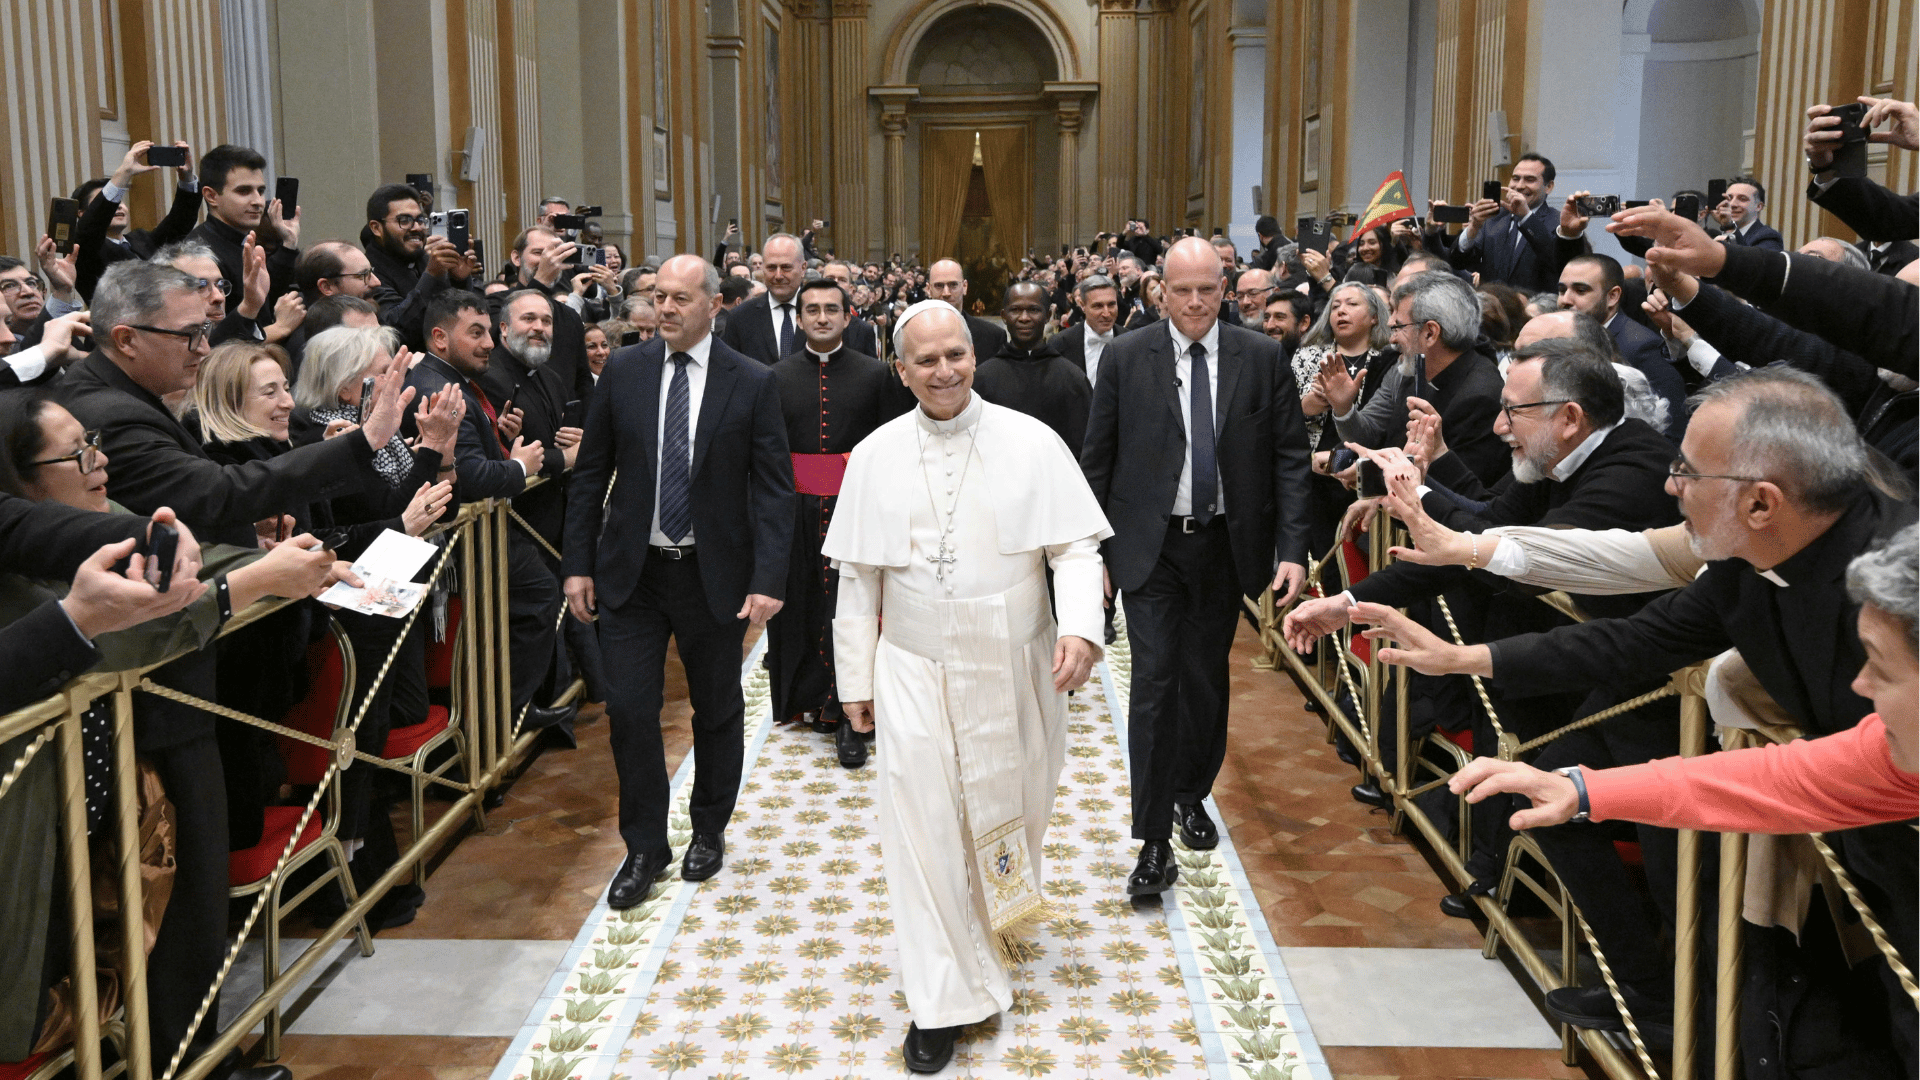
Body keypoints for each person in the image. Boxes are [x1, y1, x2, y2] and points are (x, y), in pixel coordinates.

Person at [1349, 366, 1918, 1055]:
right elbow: (1637, 639)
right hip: (1866, 827)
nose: (1670, 486)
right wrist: (1464, 659)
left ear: (1761, 503)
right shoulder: (1750, 554)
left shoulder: (1891, 588)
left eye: (1688, 472)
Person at [824, 299, 1107, 1074]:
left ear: (973, 357)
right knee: (920, 827)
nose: (944, 371)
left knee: (1016, 807)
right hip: (913, 661)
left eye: (956, 355)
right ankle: (940, 999)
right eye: (927, 360)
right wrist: (854, 678)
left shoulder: (1032, 441)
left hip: (1015, 657)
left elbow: (1074, 548)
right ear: (901, 370)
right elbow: (857, 577)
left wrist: (1080, 628)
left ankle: (992, 929)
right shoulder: (875, 454)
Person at [1080, 236, 1312, 894]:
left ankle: (1190, 792)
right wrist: (1092, 552)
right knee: (1154, 683)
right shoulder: (1127, 357)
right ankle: (1153, 840)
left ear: (1225, 288)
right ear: (1161, 293)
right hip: (1149, 547)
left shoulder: (1261, 357)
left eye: (1207, 289)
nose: (1194, 302)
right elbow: (1097, 459)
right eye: (1181, 290)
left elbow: (1289, 458)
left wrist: (1292, 549)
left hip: (1224, 546)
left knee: (1205, 682)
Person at [562, 254, 793, 910]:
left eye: (680, 298)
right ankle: (644, 847)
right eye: (659, 295)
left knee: (715, 709)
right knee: (630, 711)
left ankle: (708, 829)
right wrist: (576, 564)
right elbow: (591, 472)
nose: (664, 307)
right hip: (632, 575)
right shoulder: (625, 371)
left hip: (711, 574)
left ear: (713, 306)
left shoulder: (751, 381)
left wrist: (768, 577)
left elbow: (773, 490)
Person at [1448, 522, 1916, 835]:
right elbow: (1781, 778)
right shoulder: (1887, 750)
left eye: (1881, 666)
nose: (1863, 684)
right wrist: (1583, 791)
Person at [58, 262, 408, 549]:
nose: (203, 348)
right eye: (190, 334)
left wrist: (248, 536)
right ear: (126, 339)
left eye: (205, 331)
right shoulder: (110, 412)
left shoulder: (119, 391)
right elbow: (215, 494)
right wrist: (364, 440)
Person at [404, 289, 571, 731]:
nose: (489, 344)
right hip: (462, 541)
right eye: (476, 333)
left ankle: (506, 712)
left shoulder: (447, 379)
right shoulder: (441, 389)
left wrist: (501, 440)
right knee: (539, 596)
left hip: (479, 535)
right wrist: (519, 466)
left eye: (487, 333)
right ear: (440, 338)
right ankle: (503, 716)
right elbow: (469, 476)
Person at [765, 278, 902, 767]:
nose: (822, 318)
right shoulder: (775, 377)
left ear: (848, 316)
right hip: (796, 513)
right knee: (804, 607)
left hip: (858, 510)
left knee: (854, 610)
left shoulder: (876, 375)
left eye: (831, 309)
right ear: (799, 318)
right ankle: (811, 699)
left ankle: (851, 712)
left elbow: (893, 445)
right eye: (812, 310)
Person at [1322, 270, 1511, 486]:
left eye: (1398, 326)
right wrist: (1336, 459)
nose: (1391, 339)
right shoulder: (1414, 370)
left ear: (1430, 333)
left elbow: (1453, 489)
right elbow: (1378, 439)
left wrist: (1366, 476)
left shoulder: (1480, 398)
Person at [1555, 254, 1687, 435]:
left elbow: (1670, 426)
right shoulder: (1563, 338)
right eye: (1562, 290)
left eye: (1581, 290)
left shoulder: (1641, 346)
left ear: (1612, 296)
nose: (1565, 300)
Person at [72, 140, 202, 303]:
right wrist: (124, 173)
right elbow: (90, 228)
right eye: (112, 202)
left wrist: (187, 178)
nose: (118, 206)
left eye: (120, 201)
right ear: (82, 214)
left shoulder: (141, 240)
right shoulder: (83, 249)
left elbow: (179, 222)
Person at [187, 145, 299, 333]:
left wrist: (289, 243)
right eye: (244, 191)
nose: (258, 201)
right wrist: (279, 329)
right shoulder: (198, 254)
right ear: (211, 196)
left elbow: (265, 300)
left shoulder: (246, 239)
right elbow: (208, 338)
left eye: (260, 191)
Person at [972, 281, 1091, 454]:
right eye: (1015, 310)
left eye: (1034, 310)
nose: (1024, 318)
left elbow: (1086, 448)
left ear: (1048, 315)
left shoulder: (1073, 379)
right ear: (1004, 316)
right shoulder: (981, 379)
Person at [361, 183, 473, 352]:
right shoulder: (367, 272)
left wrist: (459, 280)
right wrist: (431, 275)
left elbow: (462, 321)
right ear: (377, 228)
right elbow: (395, 332)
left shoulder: (425, 259)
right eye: (404, 220)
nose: (417, 228)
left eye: (420, 220)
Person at [1446, 153, 1571, 291]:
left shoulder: (1558, 222)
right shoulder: (1493, 218)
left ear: (1549, 187)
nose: (1519, 186)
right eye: (1515, 178)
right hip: (1491, 302)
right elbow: (1458, 262)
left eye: (1530, 180)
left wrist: (1526, 217)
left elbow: (1556, 262)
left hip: (1534, 303)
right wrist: (1473, 228)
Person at [718, 232, 810, 365]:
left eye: (786, 267)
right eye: (771, 268)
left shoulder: (823, 313)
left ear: (803, 268)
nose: (778, 276)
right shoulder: (740, 317)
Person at [1047, 273, 1121, 391]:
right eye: (1098, 306)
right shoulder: (1059, 343)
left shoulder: (1133, 341)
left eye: (1111, 304)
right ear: (1082, 305)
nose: (1106, 313)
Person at [923, 258, 1008, 359]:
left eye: (953, 285)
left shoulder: (993, 336)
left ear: (964, 287)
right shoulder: (911, 335)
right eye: (939, 286)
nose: (946, 293)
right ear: (928, 289)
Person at [1716, 177, 1784, 250]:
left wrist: (1729, 227)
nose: (1732, 204)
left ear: (1758, 206)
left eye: (1742, 199)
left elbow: (1747, 256)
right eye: (1729, 198)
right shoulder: (1718, 234)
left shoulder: (1769, 236)